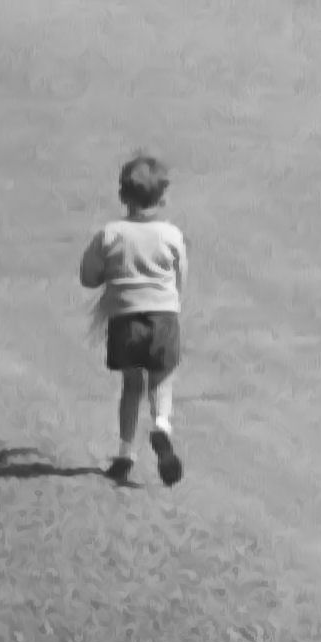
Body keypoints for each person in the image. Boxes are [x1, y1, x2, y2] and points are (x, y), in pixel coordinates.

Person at [81, 151, 188, 489]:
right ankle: (161, 425)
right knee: (161, 380)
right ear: (163, 197)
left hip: (125, 320)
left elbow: (89, 276)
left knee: (131, 387)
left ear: (122, 195)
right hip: (162, 317)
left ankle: (126, 453)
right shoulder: (171, 235)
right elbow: (179, 277)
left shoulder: (110, 234)